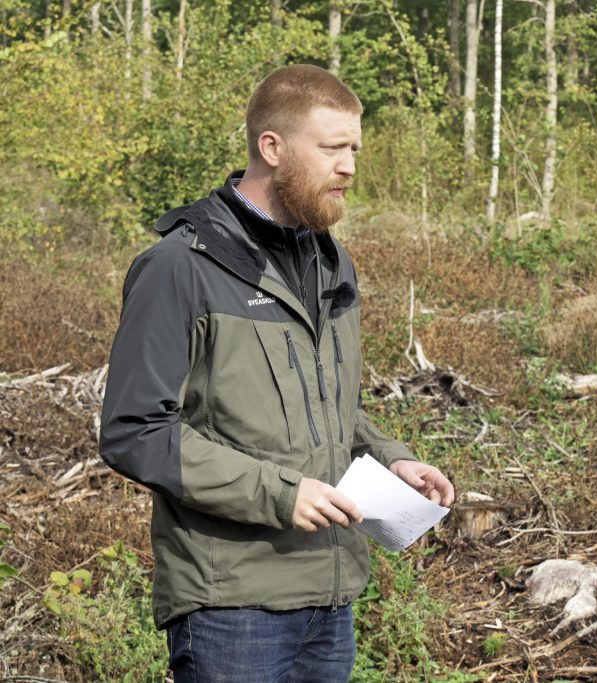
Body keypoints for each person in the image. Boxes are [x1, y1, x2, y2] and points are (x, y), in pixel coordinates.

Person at [99, 64, 454, 682]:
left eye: (354, 149)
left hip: (330, 598)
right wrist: (281, 493)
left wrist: (390, 457)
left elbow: (325, 406)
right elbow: (136, 431)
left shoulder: (328, 259)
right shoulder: (179, 268)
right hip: (232, 607)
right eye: (333, 148)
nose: (349, 166)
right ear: (272, 147)